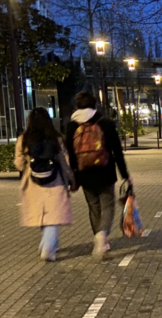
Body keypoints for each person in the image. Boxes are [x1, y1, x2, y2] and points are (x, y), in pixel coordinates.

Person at [66, 91, 131, 258]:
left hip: (84, 173)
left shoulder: (72, 126)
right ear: (95, 105)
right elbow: (117, 152)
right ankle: (102, 236)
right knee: (107, 205)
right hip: (105, 172)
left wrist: (73, 175)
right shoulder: (105, 123)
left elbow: (71, 153)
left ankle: (100, 238)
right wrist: (125, 174)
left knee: (94, 207)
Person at [15, 108, 76, 262]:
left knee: (42, 216)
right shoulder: (56, 138)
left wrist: (28, 163)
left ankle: (49, 244)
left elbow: (19, 164)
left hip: (33, 183)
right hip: (55, 181)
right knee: (52, 217)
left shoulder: (24, 139)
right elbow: (64, 162)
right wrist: (72, 178)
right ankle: (48, 247)